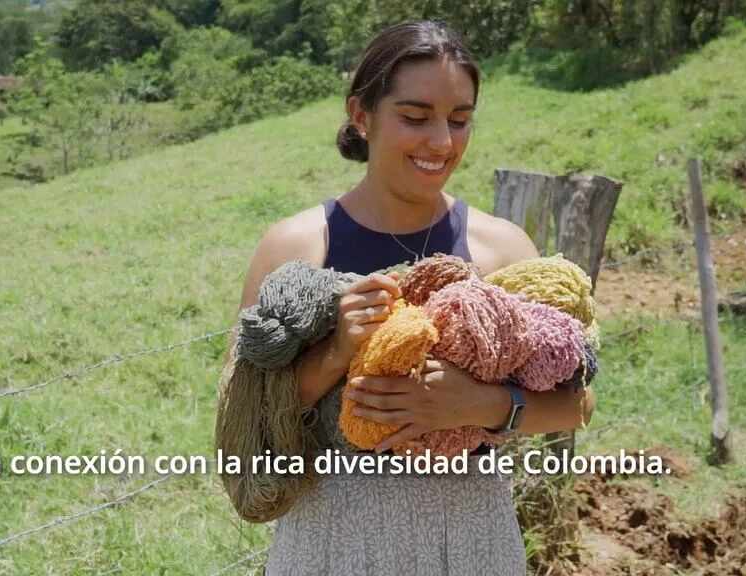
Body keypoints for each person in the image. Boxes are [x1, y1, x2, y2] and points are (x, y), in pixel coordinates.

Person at [227, 19, 595, 575]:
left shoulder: (502, 248)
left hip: (472, 539)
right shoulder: (298, 245)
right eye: (415, 118)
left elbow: (578, 403)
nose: (442, 142)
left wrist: (484, 405)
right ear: (361, 116)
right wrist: (334, 356)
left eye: (461, 120)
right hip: (331, 537)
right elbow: (240, 415)